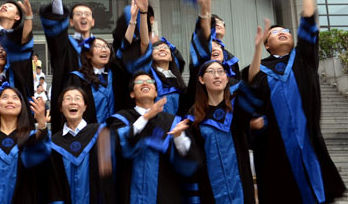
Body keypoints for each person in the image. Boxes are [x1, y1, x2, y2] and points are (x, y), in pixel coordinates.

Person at [245, 0, 346, 203]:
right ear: (267, 45)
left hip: (308, 141)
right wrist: (251, 120)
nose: (281, 33)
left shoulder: (303, 59)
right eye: (275, 33)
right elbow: (247, 97)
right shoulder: (258, 70)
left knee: (315, 191)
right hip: (274, 148)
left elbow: (309, 22)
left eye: (285, 31)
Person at [106, 71, 199, 203]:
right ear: (132, 94)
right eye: (139, 82)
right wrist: (146, 117)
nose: (145, 83)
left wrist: (178, 137)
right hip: (131, 193)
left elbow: (188, 163)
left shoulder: (173, 122)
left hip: (165, 193)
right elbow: (118, 147)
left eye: (150, 81)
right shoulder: (121, 120)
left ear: (156, 93)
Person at [186, 60, 259, 204]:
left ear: (227, 79)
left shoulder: (237, 108)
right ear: (201, 79)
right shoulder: (193, 117)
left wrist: (257, 49)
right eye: (211, 72)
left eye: (221, 72)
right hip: (210, 189)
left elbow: (252, 82)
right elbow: (193, 158)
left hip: (241, 186)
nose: (217, 76)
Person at [40, 0, 96, 130]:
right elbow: (57, 25)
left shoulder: (102, 47)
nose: (83, 17)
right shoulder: (66, 44)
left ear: (93, 21)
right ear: (70, 21)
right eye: (78, 14)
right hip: (72, 105)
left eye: (87, 14)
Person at [179, 0, 239, 116]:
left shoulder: (231, 60)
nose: (215, 48)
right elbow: (204, 29)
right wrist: (207, 0)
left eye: (220, 23)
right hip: (200, 115)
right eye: (214, 23)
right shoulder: (201, 62)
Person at [45, 86, 115, 204]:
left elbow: (108, 177)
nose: (73, 102)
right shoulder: (54, 142)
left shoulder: (100, 133)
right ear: (61, 108)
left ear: (85, 106)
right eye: (68, 98)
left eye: (78, 98)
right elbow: (52, 182)